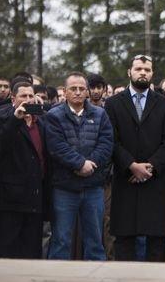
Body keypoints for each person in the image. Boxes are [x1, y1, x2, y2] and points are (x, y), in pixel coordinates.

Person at [105, 55, 165, 262]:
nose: (143, 72)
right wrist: (131, 165)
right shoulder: (113, 104)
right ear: (130, 72)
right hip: (125, 180)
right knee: (124, 242)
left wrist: (149, 168)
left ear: (152, 73)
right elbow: (111, 140)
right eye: (138, 69)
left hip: (155, 182)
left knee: (156, 243)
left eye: (147, 69)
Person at [45, 72, 114, 260]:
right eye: (73, 89)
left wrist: (90, 165)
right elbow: (56, 147)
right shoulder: (53, 116)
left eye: (81, 89)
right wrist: (79, 164)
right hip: (64, 188)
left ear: (87, 92)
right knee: (61, 240)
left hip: (93, 187)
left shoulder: (100, 114)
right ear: (65, 92)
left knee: (94, 241)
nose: (77, 92)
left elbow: (106, 143)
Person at [0, 82, 49, 258]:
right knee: (8, 248)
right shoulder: (2, 117)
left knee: (32, 249)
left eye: (30, 96)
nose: (27, 100)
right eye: (23, 96)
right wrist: (15, 120)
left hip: (36, 195)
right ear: (13, 99)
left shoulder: (41, 120)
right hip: (11, 198)